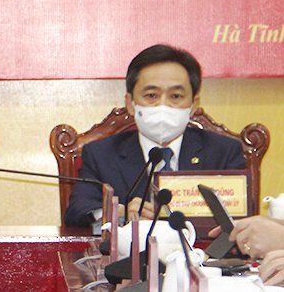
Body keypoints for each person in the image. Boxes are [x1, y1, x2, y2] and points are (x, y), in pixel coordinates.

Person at [65, 44, 245, 227]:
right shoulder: (101, 154)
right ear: (130, 103)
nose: (162, 106)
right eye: (151, 95)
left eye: (176, 96)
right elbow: (77, 212)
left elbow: (240, 218)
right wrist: (119, 213)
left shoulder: (224, 152)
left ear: (194, 105)